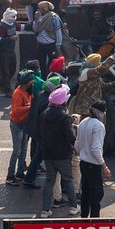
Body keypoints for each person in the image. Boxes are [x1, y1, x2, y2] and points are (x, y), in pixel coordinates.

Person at [40, 85, 80, 217]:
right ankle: (74, 206)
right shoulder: (64, 118)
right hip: (62, 155)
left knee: (49, 181)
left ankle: (45, 210)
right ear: (64, 102)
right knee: (68, 180)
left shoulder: (45, 114)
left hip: (48, 154)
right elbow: (69, 137)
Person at [75, 99, 112, 218]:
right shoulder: (99, 126)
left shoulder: (83, 122)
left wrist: (81, 154)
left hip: (83, 163)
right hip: (93, 165)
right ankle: (95, 221)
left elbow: (77, 144)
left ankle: (84, 218)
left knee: (85, 192)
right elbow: (96, 149)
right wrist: (104, 166)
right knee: (96, 195)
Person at [6, 70, 35, 186]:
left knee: (23, 150)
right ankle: (10, 175)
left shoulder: (28, 91)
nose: (32, 82)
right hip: (17, 125)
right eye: (31, 80)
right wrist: (29, 107)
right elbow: (17, 111)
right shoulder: (18, 93)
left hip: (25, 124)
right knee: (17, 151)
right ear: (26, 82)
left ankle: (19, 172)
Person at [32, 1, 62, 73]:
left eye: (39, 8)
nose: (38, 10)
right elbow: (35, 29)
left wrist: (58, 46)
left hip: (50, 44)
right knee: (40, 63)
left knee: (51, 63)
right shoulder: (39, 18)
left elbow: (58, 32)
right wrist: (36, 20)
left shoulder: (53, 18)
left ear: (44, 9)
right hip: (41, 44)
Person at [0, 8, 19, 96]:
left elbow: (20, 27)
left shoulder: (13, 23)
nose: (14, 18)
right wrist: (10, 39)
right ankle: (7, 89)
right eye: (13, 16)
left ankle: (1, 84)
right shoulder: (1, 26)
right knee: (5, 70)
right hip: (3, 51)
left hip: (11, 50)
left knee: (12, 68)